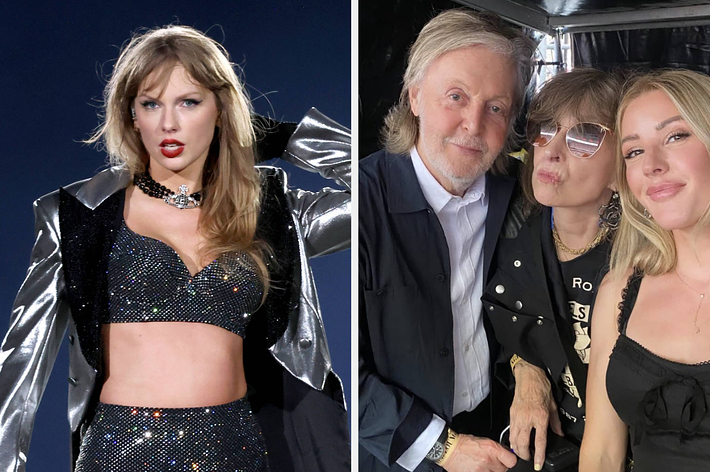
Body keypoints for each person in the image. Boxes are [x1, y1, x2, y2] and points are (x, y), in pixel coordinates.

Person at [0, 25, 350, 472]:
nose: (169, 123)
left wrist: (285, 137)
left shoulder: (267, 209)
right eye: (151, 104)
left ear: (220, 110)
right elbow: (20, 367)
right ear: (132, 116)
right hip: (121, 450)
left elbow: (377, 192)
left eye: (189, 102)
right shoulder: (75, 216)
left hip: (238, 449)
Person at [359, 9, 535, 472]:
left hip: (492, 426)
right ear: (414, 96)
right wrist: (444, 448)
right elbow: (330, 368)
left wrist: (528, 369)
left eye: (496, 107)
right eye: (455, 96)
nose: (474, 125)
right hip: (393, 450)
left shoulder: (514, 195)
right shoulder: (356, 205)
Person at [481, 68, 623, 471]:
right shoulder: (511, 239)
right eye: (544, 128)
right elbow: (510, 328)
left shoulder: (646, 260)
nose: (551, 149)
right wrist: (525, 368)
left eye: (586, 136)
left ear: (622, 166)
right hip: (548, 451)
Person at [580, 69, 710, 472]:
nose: (651, 165)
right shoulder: (619, 290)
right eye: (634, 152)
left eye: (675, 136)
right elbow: (601, 453)